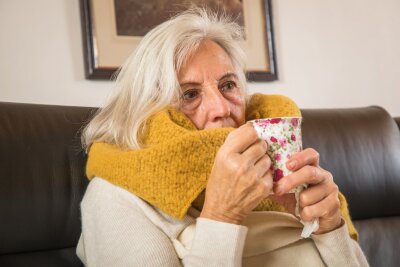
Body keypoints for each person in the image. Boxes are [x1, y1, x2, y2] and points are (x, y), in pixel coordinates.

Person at [76, 9, 369, 267]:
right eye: (189, 94)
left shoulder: (277, 159)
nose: (220, 109)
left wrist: (329, 226)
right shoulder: (114, 195)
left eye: (228, 85)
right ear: (148, 110)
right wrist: (222, 216)